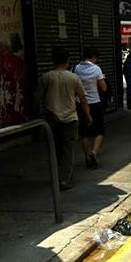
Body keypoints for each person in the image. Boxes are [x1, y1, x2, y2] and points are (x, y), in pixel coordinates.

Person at [35, 47, 91, 191]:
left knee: (55, 149)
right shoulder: (73, 78)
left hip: (51, 119)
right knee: (68, 150)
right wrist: (88, 115)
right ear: (67, 61)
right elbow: (83, 98)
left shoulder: (46, 77)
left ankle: (57, 176)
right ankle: (65, 179)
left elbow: (37, 97)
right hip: (70, 119)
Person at [74, 47, 107, 170]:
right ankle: (93, 152)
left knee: (85, 133)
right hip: (94, 103)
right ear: (93, 57)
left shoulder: (76, 68)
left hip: (81, 103)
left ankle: (87, 158)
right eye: (96, 58)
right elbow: (103, 88)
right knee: (99, 131)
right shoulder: (96, 69)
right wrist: (102, 78)